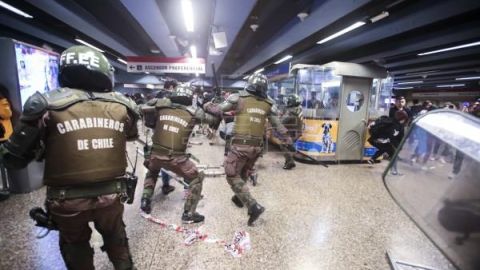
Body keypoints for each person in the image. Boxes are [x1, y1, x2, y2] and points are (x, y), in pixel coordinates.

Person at [0, 46, 139, 269]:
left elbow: (13, 159)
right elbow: (131, 136)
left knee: (75, 245)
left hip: (66, 200)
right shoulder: (123, 105)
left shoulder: (44, 104)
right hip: (112, 195)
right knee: (116, 237)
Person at [204, 73, 294, 226]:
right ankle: (239, 198)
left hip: (240, 145)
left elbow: (217, 110)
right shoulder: (268, 103)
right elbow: (278, 125)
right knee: (245, 171)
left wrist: (207, 104)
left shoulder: (238, 98)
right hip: (257, 147)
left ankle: (253, 206)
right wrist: (288, 140)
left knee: (231, 174)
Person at [140, 85, 220, 224]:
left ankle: (145, 200)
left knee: (152, 172)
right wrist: (207, 105)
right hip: (176, 159)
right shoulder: (195, 112)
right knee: (196, 178)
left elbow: (142, 111)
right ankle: (189, 213)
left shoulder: (159, 106)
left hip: (155, 154)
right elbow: (214, 120)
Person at [367, 110, 409, 174]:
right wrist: (373, 123)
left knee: (385, 149)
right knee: (392, 154)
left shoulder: (397, 125)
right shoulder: (394, 123)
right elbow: (381, 121)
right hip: (380, 141)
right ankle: (394, 171)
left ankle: (372, 159)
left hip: (381, 141)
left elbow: (400, 138)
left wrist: (399, 147)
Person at [269, 94, 303, 169]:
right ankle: (290, 159)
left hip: (293, 133)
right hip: (296, 131)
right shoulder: (298, 109)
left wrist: (277, 117)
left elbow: (281, 122)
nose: (287, 102)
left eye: (288, 101)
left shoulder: (291, 111)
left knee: (283, 145)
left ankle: (290, 162)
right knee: (286, 145)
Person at [0, 86, 13, 201]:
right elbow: (7, 114)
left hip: (4, 136)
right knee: (3, 164)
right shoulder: (3, 102)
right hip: (4, 136)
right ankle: (5, 187)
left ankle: (5, 187)